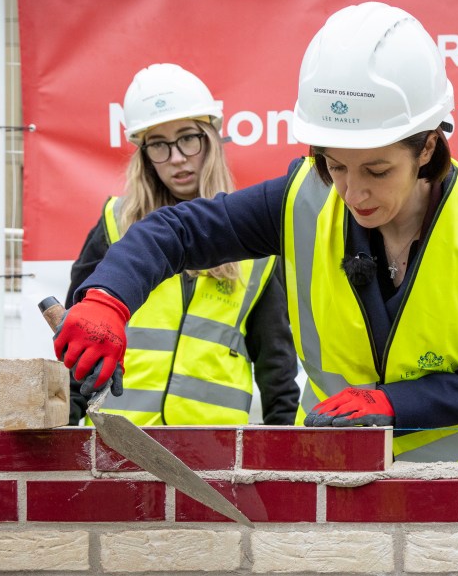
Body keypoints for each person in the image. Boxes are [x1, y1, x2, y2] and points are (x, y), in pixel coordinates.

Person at [55, 3, 458, 462]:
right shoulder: (303, 200)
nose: (353, 194)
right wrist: (107, 299)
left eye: (377, 171)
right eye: (335, 166)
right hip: (336, 474)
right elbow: (175, 232)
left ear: (426, 148)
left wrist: (395, 404)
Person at [63, 63, 301, 427]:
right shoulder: (114, 224)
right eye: (159, 144)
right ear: (144, 155)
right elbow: (77, 344)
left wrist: (284, 462)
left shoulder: (256, 244)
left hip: (215, 455)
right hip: (122, 441)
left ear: (212, 139)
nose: (176, 157)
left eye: (188, 138)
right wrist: (62, 431)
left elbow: (277, 372)